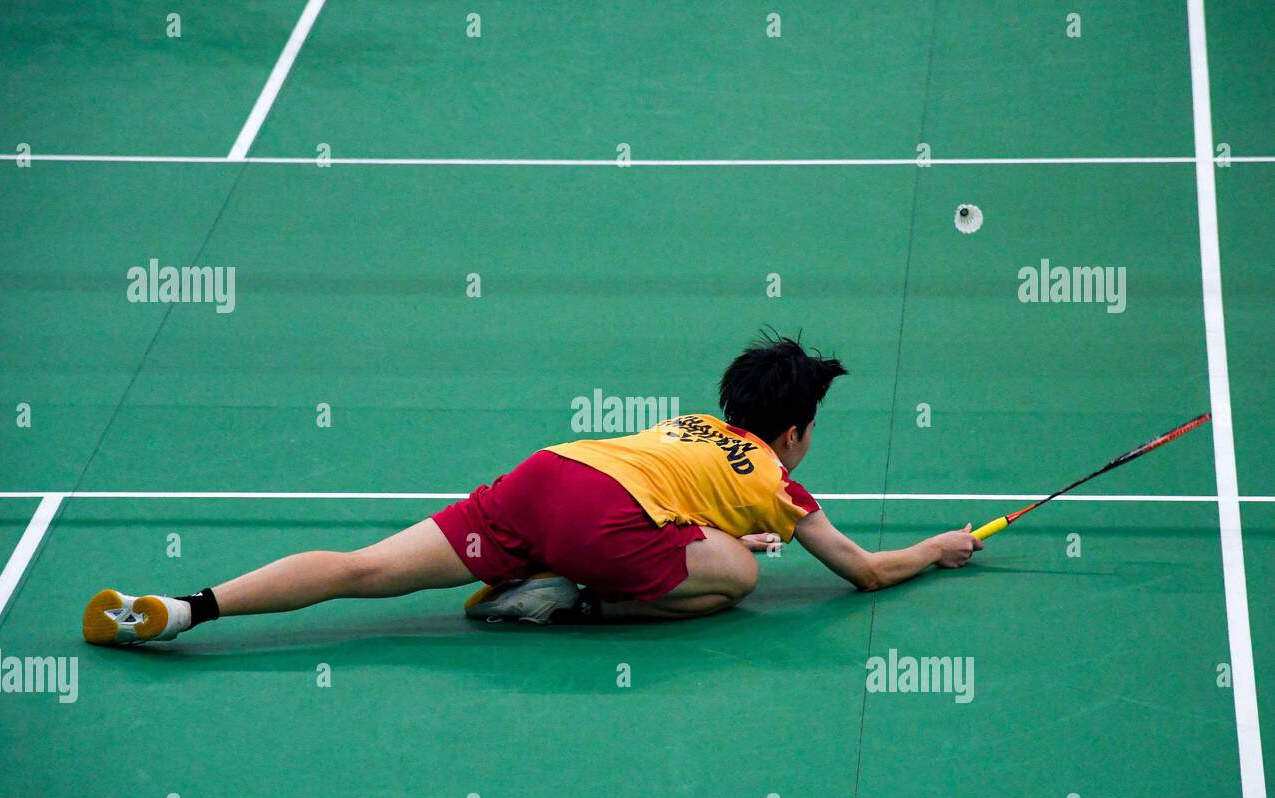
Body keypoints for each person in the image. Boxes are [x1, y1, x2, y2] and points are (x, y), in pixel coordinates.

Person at [82, 334, 982, 646]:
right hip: (603, 531)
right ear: (792, 432)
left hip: (548, 474)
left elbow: (664, 495)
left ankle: (184, 606)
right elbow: (861, 570)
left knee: (363, 568)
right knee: (738, 585)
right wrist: (938, 550)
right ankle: (566, 603)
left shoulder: (683, 428)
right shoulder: (779, 485)